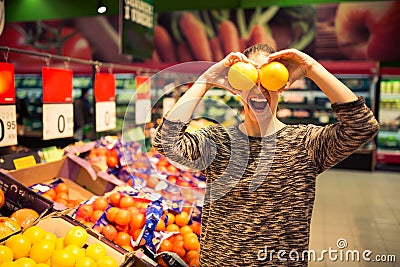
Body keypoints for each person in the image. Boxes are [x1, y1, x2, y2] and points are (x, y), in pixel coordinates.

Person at [152, 44, 379, 266]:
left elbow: (362, 126)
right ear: (238, 86)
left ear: (281, 85)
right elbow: (165, 140)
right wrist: (206, 80)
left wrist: (311, 67)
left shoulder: (305, 144)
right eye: (250, 80)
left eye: (269, 80)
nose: (259, 90)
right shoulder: (217, 143)